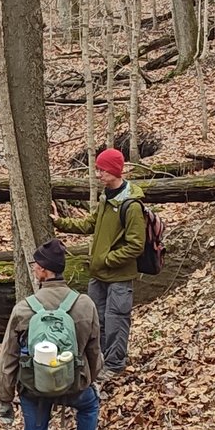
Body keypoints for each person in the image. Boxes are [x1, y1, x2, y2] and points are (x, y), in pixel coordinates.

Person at [0, 239, 106, 430]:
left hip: (34, 389)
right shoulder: (84, 305)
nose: (34, 269)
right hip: (73, 385)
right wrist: (90, 380)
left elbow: (8, 358)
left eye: (36, 266)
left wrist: (5, 400)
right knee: (90, 405)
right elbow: (94, 351)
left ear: (44, 271)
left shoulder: (24, 309)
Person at [53, 146, 145, 388]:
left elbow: (136, 245)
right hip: (99, 275)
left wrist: (106, 260)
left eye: (102, 170)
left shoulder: (131, 206)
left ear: (114, 171)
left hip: (119, 277)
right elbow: (89, 224)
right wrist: (60, 222)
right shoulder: (107, 197)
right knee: (96, 321)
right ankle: (100, 362)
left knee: (116, 321)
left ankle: (115, 365)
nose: (98, 174)